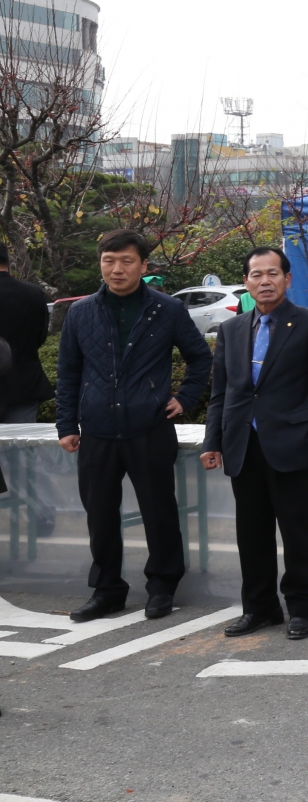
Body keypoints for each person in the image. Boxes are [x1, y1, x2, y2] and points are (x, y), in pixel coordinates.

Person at [55, 230, 213, 622]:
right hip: (96, 429)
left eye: (127, 261)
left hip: (150, 427)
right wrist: (66, 424)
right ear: (101, 264)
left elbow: (201, 358)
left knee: (159, 513)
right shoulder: (80, 312)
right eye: (109, 260)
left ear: (144, 266)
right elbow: (68, 372)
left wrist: (185, 397)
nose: (117, 269)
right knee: (100, 515)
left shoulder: (167, 310)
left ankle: (162, 586)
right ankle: (107, 590)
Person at [200, 247, 308, 640]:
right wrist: (212, 440)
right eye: (256, 275)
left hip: (291, 445)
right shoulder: (231, 330)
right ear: (246, 282)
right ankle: (260, 608)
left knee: (296, 532)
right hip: (242, 445)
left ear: (287, 279)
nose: (264, 281)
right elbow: (222, 393)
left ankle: (301, 608)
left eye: (272, 274)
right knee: (252, 534)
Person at [0, 241, 56, 535]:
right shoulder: (34, 294)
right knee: (26, 455)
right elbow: (39, 339)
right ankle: (43, 515)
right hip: (25, 384)